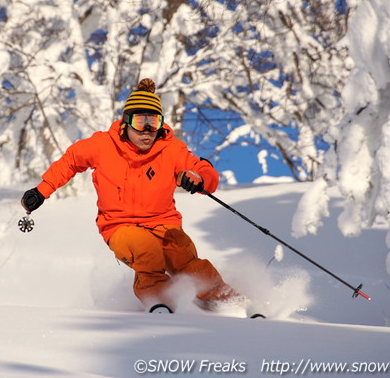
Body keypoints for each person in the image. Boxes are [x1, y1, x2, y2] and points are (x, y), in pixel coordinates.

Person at [21, 78, 243, 314]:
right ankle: (161, 303)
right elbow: (70, 161)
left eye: (154, 122)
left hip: (164, 222)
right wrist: (42, 190)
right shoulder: (103, 145)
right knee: (147, 252)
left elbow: (205, 171)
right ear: (126, 121)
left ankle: (228, 303)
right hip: (119, 225)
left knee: (185, 261)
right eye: (140, 121)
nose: (147, 130)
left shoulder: (170, 149)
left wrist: (199, 179)